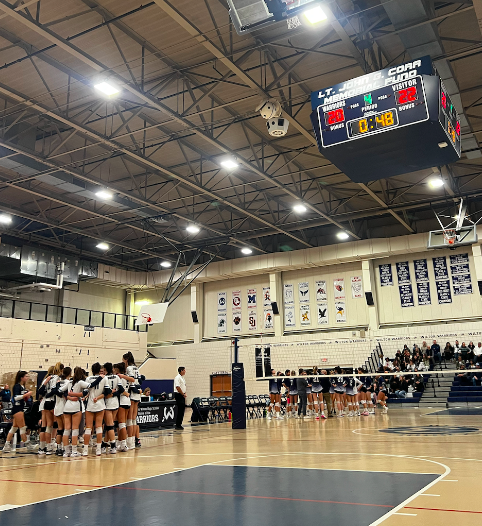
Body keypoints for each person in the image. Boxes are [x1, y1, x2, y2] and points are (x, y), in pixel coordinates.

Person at [2, 371, 35, 453]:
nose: (27, 378)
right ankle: (28, 444)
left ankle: (6, 445)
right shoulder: (17, 386)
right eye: (26, 376)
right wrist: (25, 395)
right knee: (22, 427)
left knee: (14, 428)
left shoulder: (22, 387)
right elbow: (16, 398)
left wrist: (27, 397)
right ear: (21, 377)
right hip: (17, 409)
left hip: (20, 408)